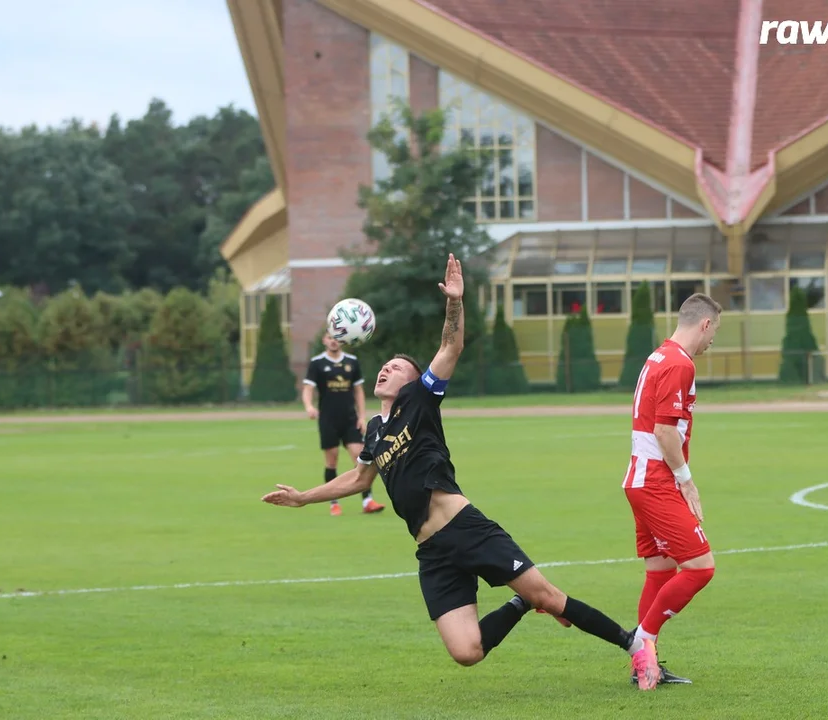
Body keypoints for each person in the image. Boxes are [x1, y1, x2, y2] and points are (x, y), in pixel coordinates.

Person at [265, 254, 656, 687]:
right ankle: (520, 605)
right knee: (466, 652)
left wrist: (455, 302)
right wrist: (303, 497)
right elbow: (358, 479)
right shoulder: (375, 430)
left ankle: (634, 646)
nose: (385, 369)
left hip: (466, 529)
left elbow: (451, 346)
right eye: (384, 365)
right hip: (432, 552)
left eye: (396, 368)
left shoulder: (420, 401)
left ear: (414, 382)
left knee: (550, 594)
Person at [623, 292, 722, 689]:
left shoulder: (658, 355)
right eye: (715, 332)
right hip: (657, 482)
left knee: (660, 572)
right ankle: (641, 644)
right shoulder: (681, 363)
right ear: (705, 324)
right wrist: (686, 479)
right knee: (701, 567)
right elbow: (664, 430)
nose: (713, 341)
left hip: (639, 479)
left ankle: (645, 664)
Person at [302, 331, 385, 516]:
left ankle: (368, 501)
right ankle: (333, 503)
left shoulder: (351, 362)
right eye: (330, 338)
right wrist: (308, 406)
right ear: (324, 340)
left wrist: (362, 416)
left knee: (360, 459)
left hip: (350, 419)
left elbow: (358, 391)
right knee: (331, 461)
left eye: (336, 339)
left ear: (342, 341)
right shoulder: (317, 363)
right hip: (328, 420)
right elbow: (308, 388)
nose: (333, 341)